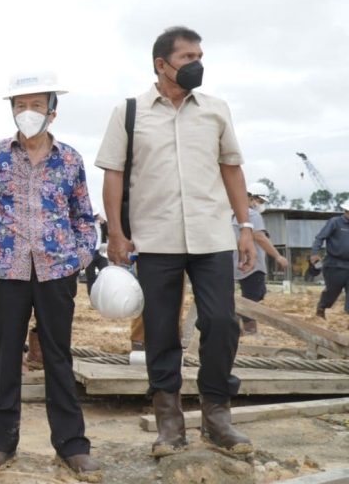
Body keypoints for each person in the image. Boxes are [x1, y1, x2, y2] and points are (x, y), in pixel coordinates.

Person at [95, 26, 255, 457]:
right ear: (161, 64)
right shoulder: (130, 112)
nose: (197, 64)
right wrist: (115, 232)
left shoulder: (216, 110)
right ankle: (169, 421)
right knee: (161, 332)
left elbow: (232, 169)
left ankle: (217, 415)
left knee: (221, 323)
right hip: (156, 239)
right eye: (187, 57)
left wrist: (245, 227)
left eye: (199, 55)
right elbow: (113, 173)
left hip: (211, 237)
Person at [0, 73, 101, 481]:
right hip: (6, 268)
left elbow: (84, 216)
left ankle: (72, 446)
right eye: (20, 105)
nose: (27, 113)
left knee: (57, 357)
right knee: (6, 355)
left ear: (52, 112)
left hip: (56, 269)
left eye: (36, 106)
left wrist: (79, 257)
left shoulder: (71, 160)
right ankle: (0, 444)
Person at [233, 183, 288, 333]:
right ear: (251, 197)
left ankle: (242, 326)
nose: (260, 205)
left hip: (235, 260)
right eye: (260, 201)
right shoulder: (252, 214)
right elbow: (259, 237)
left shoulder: (232, 212)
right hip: (252, 263)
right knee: (252, 298)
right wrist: (277, 256)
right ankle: (246, 328)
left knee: (253, 294)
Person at [311, 201, 349, 319]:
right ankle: (322, 307)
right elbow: (319, 238)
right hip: (334, 264)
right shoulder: (335, 222)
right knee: (333, 290)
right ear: (346, 211)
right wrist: (315, 253)